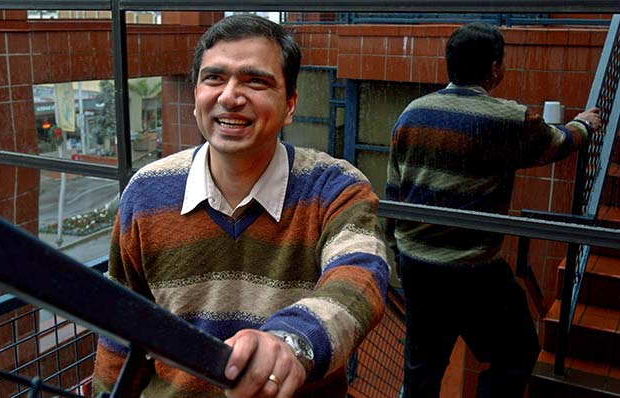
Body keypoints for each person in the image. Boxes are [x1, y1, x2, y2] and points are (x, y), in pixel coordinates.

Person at [92, 14, 390, 398]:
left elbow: (361, 276)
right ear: (196, 93)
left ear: (290, 103)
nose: (230, 96)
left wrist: (292, 342)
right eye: (214, 78)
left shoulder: (334, 187)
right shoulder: (147, 191)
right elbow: (120, 326)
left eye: (255, 81)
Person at [386, 22, 601, 398]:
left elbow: (394, 191)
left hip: (418, 266)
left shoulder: (412, 114)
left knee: (423, 368)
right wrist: (583, 124)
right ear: (495, 68)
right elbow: (558, 143)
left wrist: (399, 252)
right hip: (474, 270)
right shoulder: (508, 119)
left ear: (449, 65)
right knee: (518, 351)